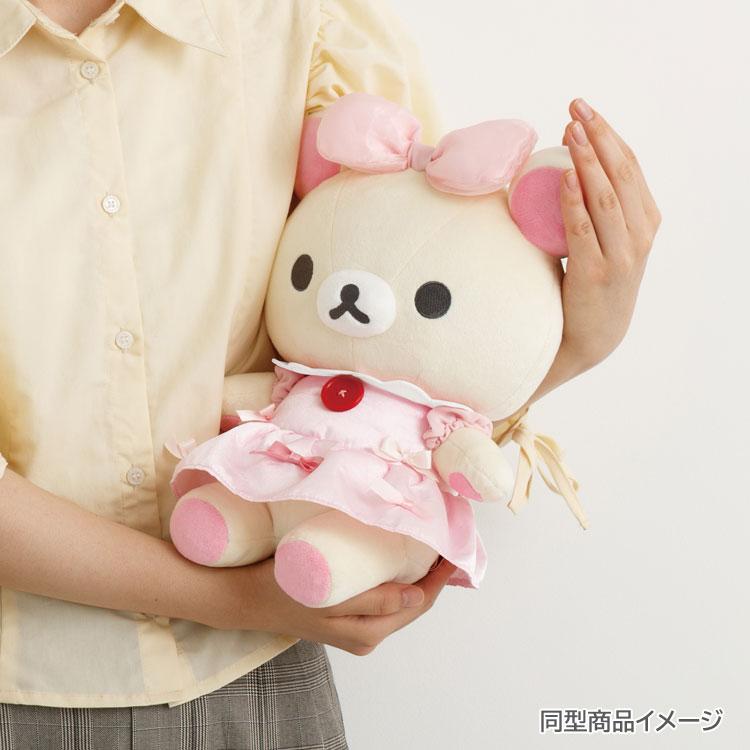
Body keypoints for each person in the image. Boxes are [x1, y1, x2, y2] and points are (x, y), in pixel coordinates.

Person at [0, 0, 660, 747]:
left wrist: (583, 341)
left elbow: (408, 339)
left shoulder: (301, 23)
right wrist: (237, 601)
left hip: (262, 674)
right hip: (59, 673)